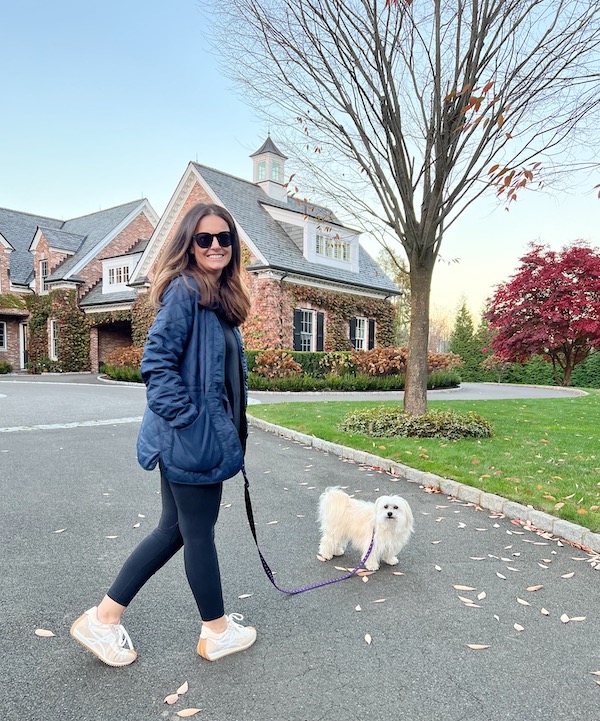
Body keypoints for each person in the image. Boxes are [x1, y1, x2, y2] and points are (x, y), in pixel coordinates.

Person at [70, 202, 255, 666]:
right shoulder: (185, 291)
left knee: (175, 529)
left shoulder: (216, 297)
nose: (215, 246)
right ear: (188, 244)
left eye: (224, 238)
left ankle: (103, 619)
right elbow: (156, 364)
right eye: (204, 238)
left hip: (200, 438)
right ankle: (214, 631)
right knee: (197, 534)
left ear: (233, 245)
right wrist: (191, 422)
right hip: (191, 439)